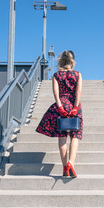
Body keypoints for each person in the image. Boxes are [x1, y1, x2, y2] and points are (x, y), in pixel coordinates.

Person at [36, 50, 83, 178]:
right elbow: (78, 93)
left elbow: (56, 94)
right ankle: (71, 163)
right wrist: (75, 107)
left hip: (60, 106)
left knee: (62, 137)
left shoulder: (56, 75)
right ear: (73, 62)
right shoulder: (78, 75)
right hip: (74, 106)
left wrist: (60, 107)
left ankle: (64, 168)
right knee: (75, 135)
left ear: (61, 61)